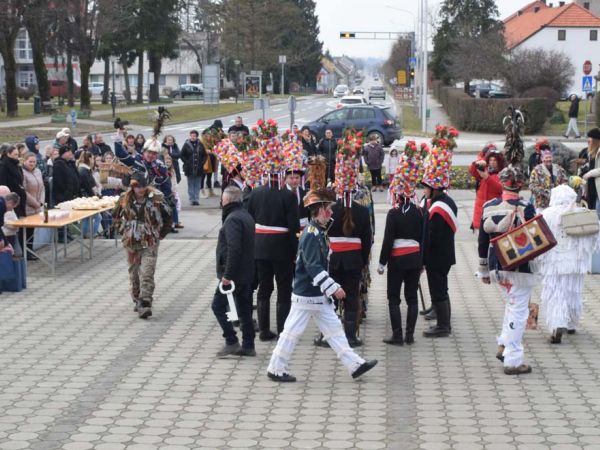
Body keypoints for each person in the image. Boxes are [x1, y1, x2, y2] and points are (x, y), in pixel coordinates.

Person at [266, 187, 378, 382]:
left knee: (334, 330)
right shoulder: (311, 233)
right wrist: (334, 288)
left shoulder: (317, 231)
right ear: (320, 210)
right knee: (292, 332)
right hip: (308, 294)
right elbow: (313, 267)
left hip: (316, 295)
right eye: (329, 209)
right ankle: (276, 368)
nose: (332, 212)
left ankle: (355, 365)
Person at [538, 184, 600, 343]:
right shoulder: (581, 212)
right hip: (576, 262)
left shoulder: (547, 214)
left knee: (555, 292)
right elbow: (594, 235)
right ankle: (571, 323)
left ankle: (557, 324)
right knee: (573, 291)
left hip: (555, 261)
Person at [378, 143, 426, 346]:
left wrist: (382, 263)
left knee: (394, 298)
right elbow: (424, 238)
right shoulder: (420, 211)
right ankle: (410, 335)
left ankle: (397, 335)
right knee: (412, 298)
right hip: (415, 259)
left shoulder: (394, 213)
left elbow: (388, 240)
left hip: (397, 259)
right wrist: (423, 260)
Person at [247, 172, 300, 341]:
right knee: (284, 289)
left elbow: (250, 219)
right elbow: (293, 227)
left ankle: (263, 330)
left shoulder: (255, 193)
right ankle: (283, 330)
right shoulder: (289, 195)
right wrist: (296, 251)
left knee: (264, 287)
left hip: (260, 247)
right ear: (283, 175)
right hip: (282, 248)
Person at [112, 171, 172, 319]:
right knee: (134, 273)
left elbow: (168, 215)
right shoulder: (124, 199)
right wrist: (123, 230)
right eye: (137, 187)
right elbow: (115, 216)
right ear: (132, 187)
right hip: (131, 242)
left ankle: (145, 302)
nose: (140, 190)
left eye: (143, 186)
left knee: (147, 271)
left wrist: (161, 234)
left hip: (150, 241)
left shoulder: (156, 198)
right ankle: (137, 298)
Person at [212, 186, 256, 357]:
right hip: (246, 271)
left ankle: (231, 340)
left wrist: (227, 276)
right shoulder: (245, 215)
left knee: (217, 306)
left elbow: (234, 248)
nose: (221, 202)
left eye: (222, 199)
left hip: (234, 274)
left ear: (228, 200)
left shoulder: (232, 219)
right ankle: (248, 345)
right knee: (244, 309)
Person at [421, 134, 458, 338]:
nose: (424, 190)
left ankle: (443, 326)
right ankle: (443, 320)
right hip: (444, 256)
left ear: (434, 188)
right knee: (440, 288)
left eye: (426, 187)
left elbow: (432, 237)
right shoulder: (445, 201)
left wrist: (422, 256)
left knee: (438, 290)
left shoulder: (438, 208)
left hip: (438, 257)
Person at [469, 150, 505, 230]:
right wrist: (477, 163)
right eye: (490, 160)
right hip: (480, 208)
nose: (492, 162)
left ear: (499, 161)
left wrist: (487, 178)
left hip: (494, 209)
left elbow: (500, 189)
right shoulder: (484, 171)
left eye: (495, 160)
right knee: (481, 239)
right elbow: (472, 170)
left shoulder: (503, 174)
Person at [22, 152, 45, 259]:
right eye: (30, 161)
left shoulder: (38, 171)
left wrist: (41, 201)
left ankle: (30, 250)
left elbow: (42, 187)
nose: (32, 163)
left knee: (32, 230)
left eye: (34, 161)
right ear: (24, 161)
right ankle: (26, 252)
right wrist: (35, 203)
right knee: (27, 230)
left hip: (38, 205)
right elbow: (24, 191)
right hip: (28, 206)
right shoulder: (22, 173)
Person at [0, 144, 26, 218]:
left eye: (17, 154)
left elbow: (20, 179)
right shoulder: (3, 166)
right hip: (10, 199)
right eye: (15, 154)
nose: (17, 156)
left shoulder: (17, 165)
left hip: (19, 196)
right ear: (8, 154)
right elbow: (2, 184)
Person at [180, 130, 206, 205]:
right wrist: (186, 162)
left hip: (199, 168)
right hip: (189, 168)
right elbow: (182, 155)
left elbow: (204, 155)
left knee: (197, 184)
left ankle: (196, 199)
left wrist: (202, 162)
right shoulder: (186, 144)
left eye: (194, 136)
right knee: (191, 184)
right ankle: (192, 199)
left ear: (197, 136)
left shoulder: (200, 144)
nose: (193, 137)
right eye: (191, 135)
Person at [582, 127, 600, 215]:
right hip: (592, 188)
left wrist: (589, 174)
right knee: (592, 212)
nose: (588, 140)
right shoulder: (590, 153)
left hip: (598, 189)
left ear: (595, 140)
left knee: (597, 215)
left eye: (590, 138)